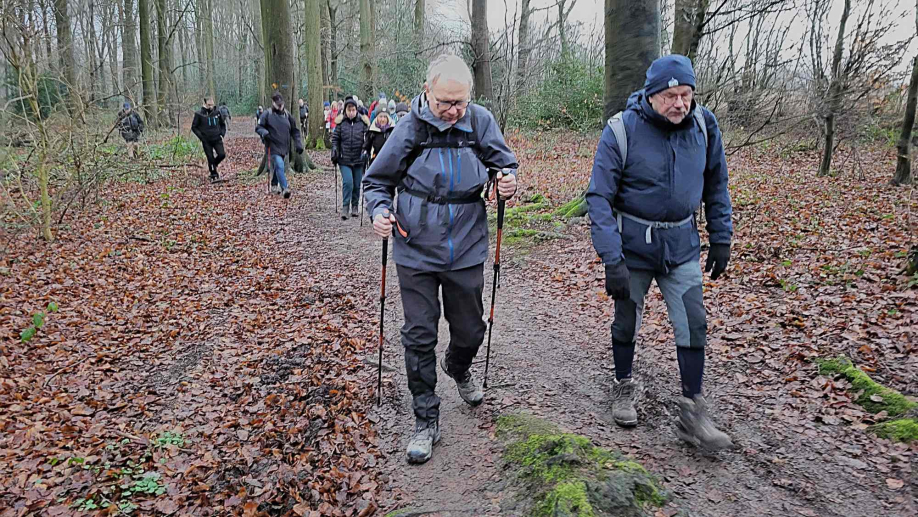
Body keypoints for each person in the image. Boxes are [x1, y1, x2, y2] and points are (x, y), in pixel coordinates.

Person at [363, 54, 519, 464]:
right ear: (427, 91)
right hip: (414, 246)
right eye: (446, 103)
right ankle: (425, 419)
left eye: (461, 103)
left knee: (470, 329)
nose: (454, 112)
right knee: (419, 334)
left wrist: (508, 182)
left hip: (467, 245)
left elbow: (504, 163)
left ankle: (458, 364)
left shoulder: (480, 121)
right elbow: (377, 181)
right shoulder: (408, 129)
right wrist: (379, 211)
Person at [586, 54, 734, 451]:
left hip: (682, 244)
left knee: (693, 322)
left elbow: (717, 183)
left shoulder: (704, 126)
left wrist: (721, 236)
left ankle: (692, 410)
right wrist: (611, 258)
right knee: (626, 319)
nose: (680, 104)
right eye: (670, 96)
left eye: (686, 94)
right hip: (633, 246)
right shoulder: (622, 130)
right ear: (651, 96)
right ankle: (623, 386)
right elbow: (598, 197)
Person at [256, 92, 303, 199]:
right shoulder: (267, 114)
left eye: (281, 103)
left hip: (284, 147)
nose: (280, 105)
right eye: (277, 103)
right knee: (279, 164)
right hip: (272, 146)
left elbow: (295, 131)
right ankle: (285, 188)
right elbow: (258, 127)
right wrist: (265, 133)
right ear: (273, 103)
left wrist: (298, 144)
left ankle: (273, 184)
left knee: (278, 166)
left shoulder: (287, 115)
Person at [331, 97, 370, 219]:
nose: (351, 112)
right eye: (349, 110)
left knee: (357, 184)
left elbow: (367, 139)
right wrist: (335, 150)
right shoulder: (341, 123)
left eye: (353, 110)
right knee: (348, 182)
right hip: (344, 159)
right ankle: (345, 207)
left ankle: (355, 206)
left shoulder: (363, 123)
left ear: (356, 110)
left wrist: (365, 151)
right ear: (345, 111)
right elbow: (335, 139)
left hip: (358, 159)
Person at [191, 96, 227, 182]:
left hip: (217, 138)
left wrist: (222, 134)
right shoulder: (199, 114)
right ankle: (214, 174)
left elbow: (222, 124)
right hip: (206, 140)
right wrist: (201, 137)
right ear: (204, 104)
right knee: (210, 157)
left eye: (212, 104)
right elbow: (194, 127)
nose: (211, 106)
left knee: (222, 154)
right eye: (209, 105)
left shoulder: (217, 112)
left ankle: (213, 165)